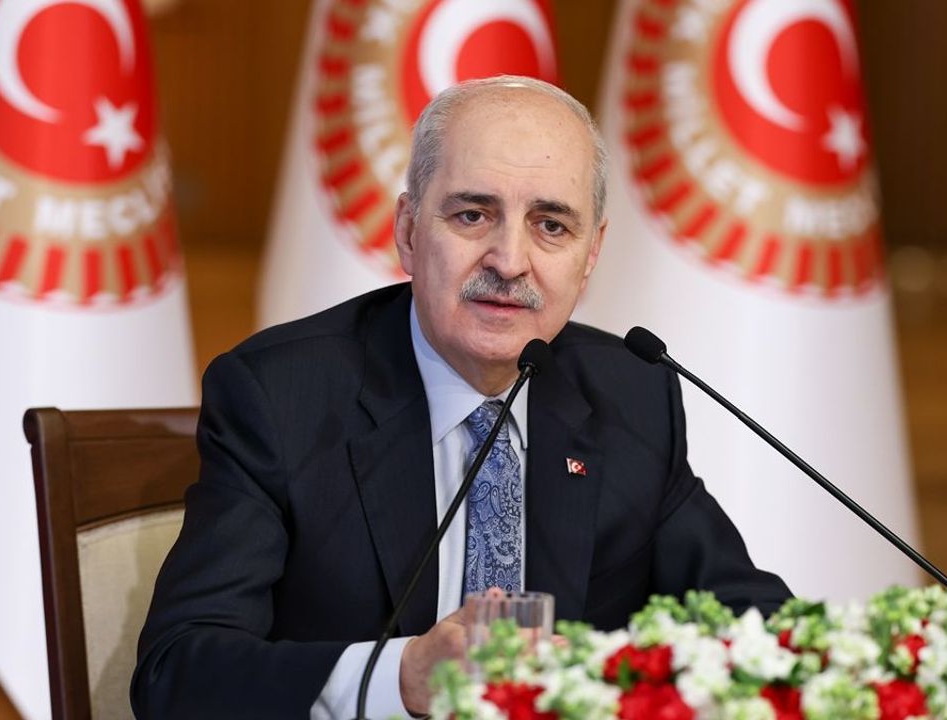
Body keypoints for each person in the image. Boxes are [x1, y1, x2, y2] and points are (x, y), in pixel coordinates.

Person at [132, 75, 790, 719]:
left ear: (591, 253)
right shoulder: (282, 398)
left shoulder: (630, 391)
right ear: (408, 230)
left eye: (551, 226)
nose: (509, 260)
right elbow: (178, 672)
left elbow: (754, 624)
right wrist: (402, 676)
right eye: (473, 215)